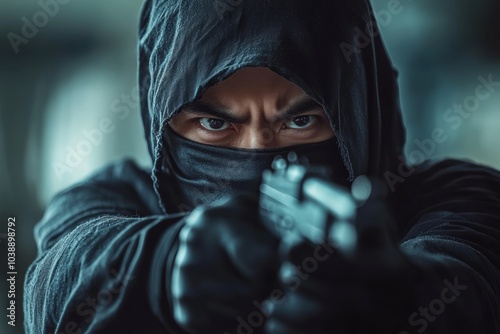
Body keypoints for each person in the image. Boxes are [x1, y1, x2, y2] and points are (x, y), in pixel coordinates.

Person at [24, 0, 500, 333]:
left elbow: (474, 279)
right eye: (214, 122)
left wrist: (394, 297)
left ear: (357, 114)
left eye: (301, 119)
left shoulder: (453, 196)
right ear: (163, 124)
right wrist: (161, 270)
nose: (257, 150)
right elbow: (47, 290)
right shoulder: (115, 200)